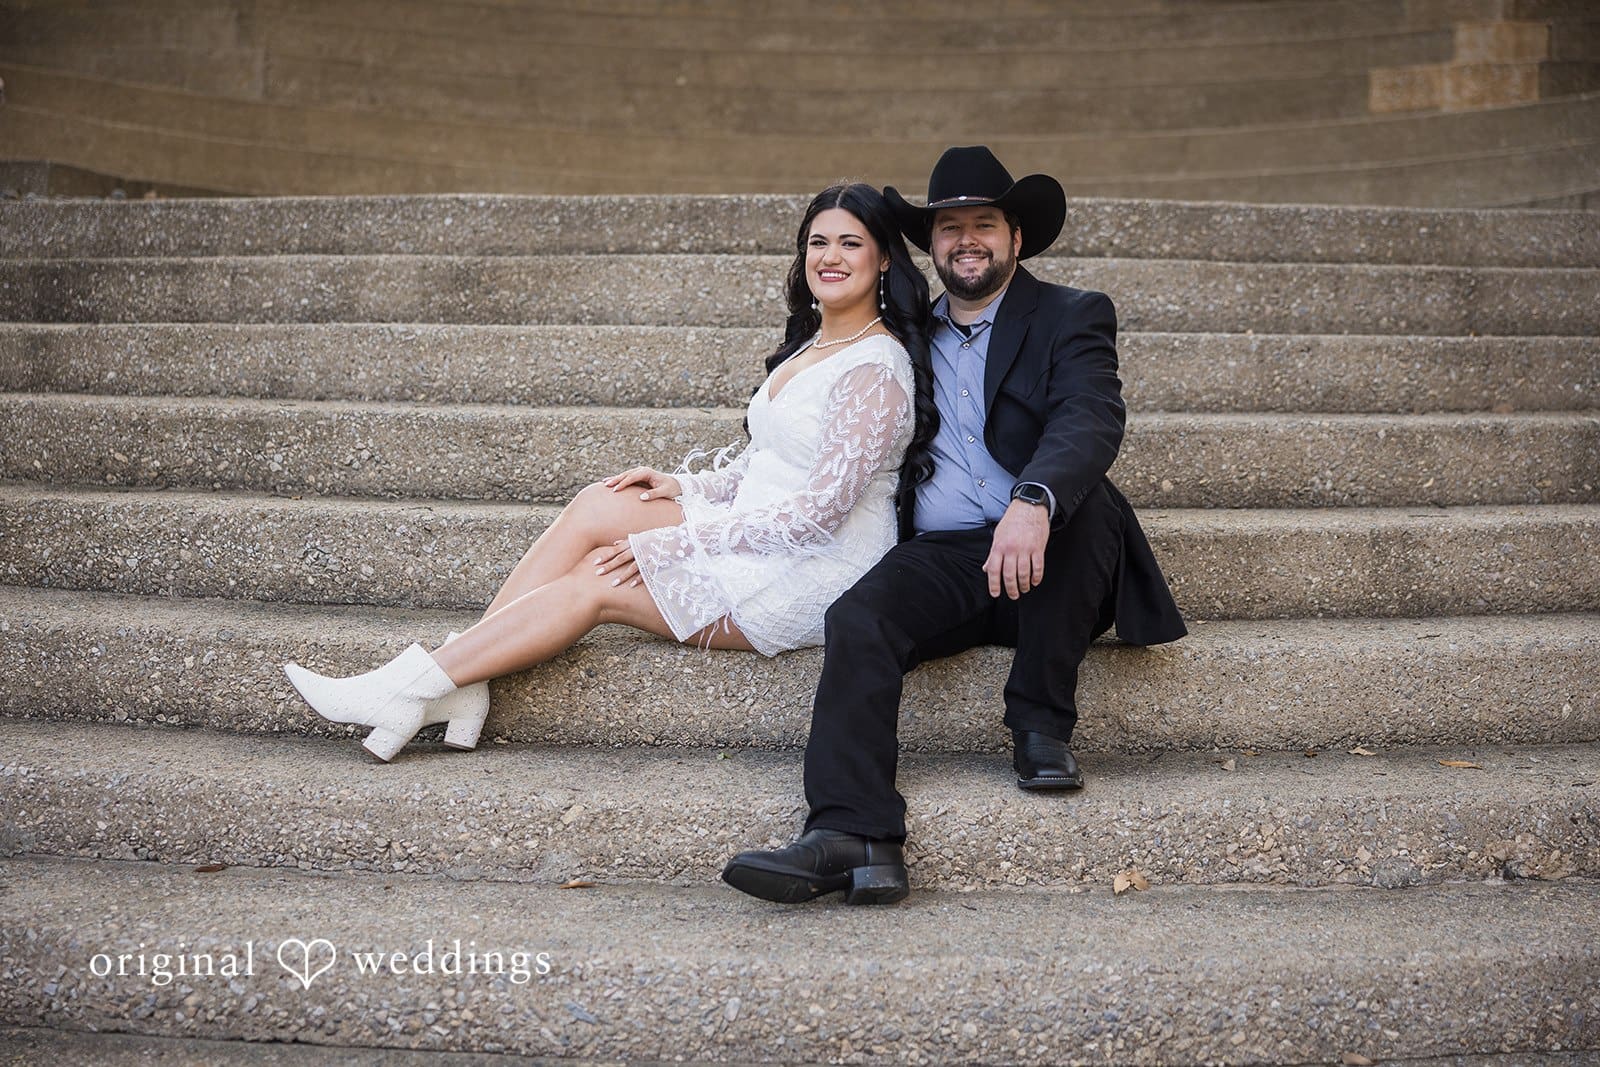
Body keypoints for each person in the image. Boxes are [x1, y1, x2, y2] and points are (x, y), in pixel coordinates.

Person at [283, 182, 935, 761]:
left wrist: (677, 538)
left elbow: (818, 512)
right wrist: (684, 488)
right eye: (818, 241)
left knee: (599, 577)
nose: (831, 256)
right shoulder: (814, 345)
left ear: (882, 258)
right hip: (753, 530)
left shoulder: (874, 370)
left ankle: (416, 685)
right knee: (602, 503)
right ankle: (461, 679)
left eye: (851, 243)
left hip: (814, 567)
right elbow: (764, 465)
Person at [720, 146, 1188, 906]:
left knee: (1088, 499)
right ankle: (854, 835)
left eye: (984, 224)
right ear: (931, 246)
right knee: (858, 617)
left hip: (1053, 549)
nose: (966, 239)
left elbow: (1089, 418)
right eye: (949, 228)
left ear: (1016, 239)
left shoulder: (1071, 314)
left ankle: (1039, 723)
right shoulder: (905, 333)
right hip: (945, 557)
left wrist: (1032, 500)